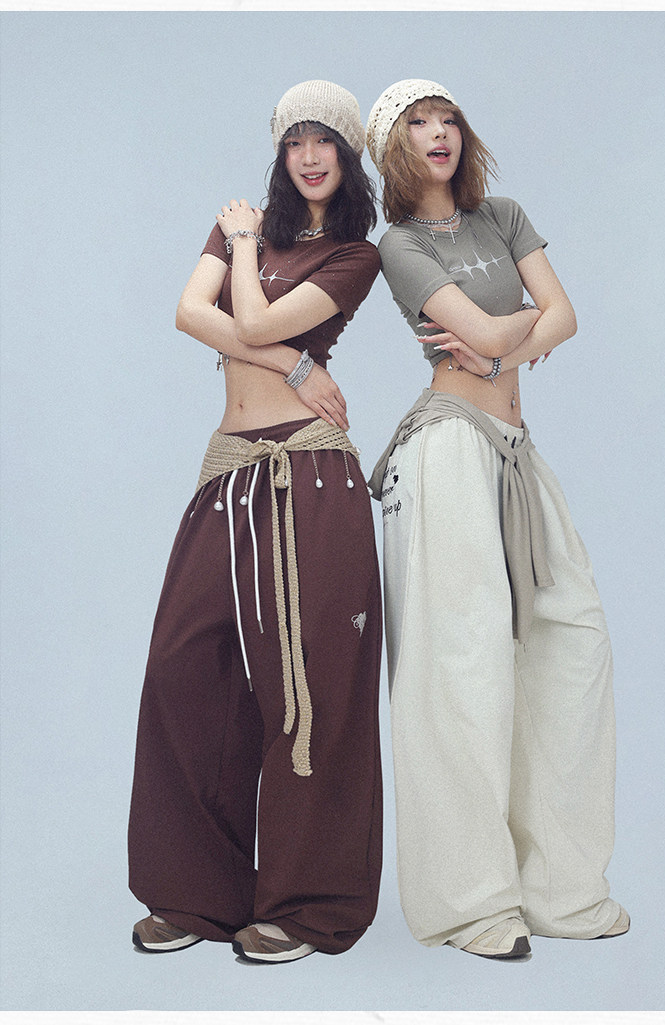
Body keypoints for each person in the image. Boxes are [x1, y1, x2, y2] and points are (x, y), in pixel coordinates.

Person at [365, 79, 628, 960]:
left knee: (570, 643)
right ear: (392, 147)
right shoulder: (399, 244)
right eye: (417, 123)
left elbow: (566, 316)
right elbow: (507, 326)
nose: (438, 133)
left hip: (515, 448)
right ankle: (473, 903)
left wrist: (500, 340)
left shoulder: (504, 217)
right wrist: (522, 327)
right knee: (461, 665)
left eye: (448, 119)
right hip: (446, 447)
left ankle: (560, 888)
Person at [128, 80, 383, 965]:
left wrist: (243, 248)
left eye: (326, 142)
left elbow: (250, 315)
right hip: (231, 471)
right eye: (295, 141)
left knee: (310, 686)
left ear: (347, 157)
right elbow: (186, 314)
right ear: (280, 152)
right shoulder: (241, 228)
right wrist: (299, 364)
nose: (310, 156)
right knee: (186, 668)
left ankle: (307, 905)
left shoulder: (355, 253)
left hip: (310, 469)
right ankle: (197, 893)